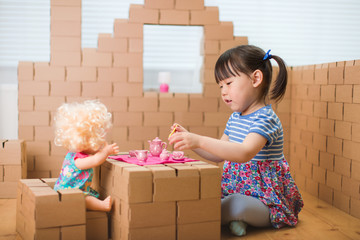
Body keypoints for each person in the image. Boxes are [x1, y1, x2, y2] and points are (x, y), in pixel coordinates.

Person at [168, 45, 303, 236]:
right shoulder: (236, 118)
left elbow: (243, 153)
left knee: (236, 204)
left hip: (265, 200)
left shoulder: (265, 119)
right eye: (221, 86)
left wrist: (198, 140)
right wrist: (190, 140)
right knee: (207, 193)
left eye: (229, 83)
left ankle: (219, 216)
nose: (223, 91)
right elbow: (217, 155)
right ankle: (235, 220)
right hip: (234, 190)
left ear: (256, 78)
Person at [53, 100, 119, 212]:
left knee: (89, 195)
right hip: (69, 193)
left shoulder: (73, 154)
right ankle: (102, 206)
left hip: (74, 189)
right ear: (85, 141)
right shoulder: (78, 161)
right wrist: (106, 151)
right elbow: (96, 160)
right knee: (85, 199)